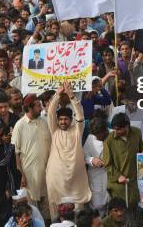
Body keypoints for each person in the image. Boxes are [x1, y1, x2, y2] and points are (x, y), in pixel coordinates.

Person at [45, 83, 91, 219]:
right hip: (56, 179)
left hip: (75, 179)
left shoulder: (77, 131)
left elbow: (80, 116)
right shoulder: (54, 131)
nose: (63, 122)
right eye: (61, 120)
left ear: (71, 121)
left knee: (77, 215)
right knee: (57, 214)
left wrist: (71, 96)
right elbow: (50, 113)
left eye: (66, 119)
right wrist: (57, 94)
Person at [11, 93, 51, 220]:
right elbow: (15, 152)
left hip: (46, 174)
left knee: (47, 211)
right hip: (29, 176)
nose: (41, 108)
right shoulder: (20, 125)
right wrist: (20, 173)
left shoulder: (44, 122)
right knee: (32, 212)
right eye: (38, 105)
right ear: (29, 108)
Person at [103, 112, 143, 209]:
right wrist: (118, 176)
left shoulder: (137, 133)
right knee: (120, 213)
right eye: (114, 129)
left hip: (134, 183)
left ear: (127, 126)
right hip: (118, 186)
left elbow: (142, 149)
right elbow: (107, 164)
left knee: (134, 212)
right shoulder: (109, 141)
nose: (116, 131)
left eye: (119, 129)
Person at [82, 117, 109, 215]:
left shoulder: (113, 135)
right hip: (96, 176)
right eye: (95, 134)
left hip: (111, 176)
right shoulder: (90, 138)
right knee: (97, 205)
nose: (97, 137)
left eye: (99, 134)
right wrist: (92, 160)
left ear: (104, 130)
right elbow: (84, 156)